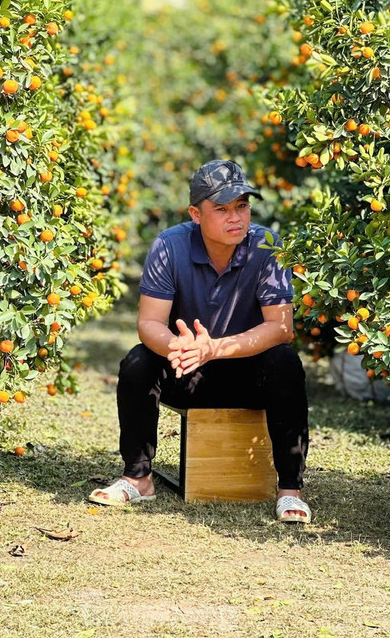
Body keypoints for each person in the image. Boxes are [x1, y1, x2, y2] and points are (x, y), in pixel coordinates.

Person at [88, 159, 311, 523]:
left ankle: (290, 491)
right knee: (138, 361)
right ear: (196, 213)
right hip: (187, 372)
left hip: (249, 377)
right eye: (221, 209)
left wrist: (215, 348)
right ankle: (137, 478)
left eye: (242, 206)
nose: (235, 217)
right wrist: (179, 347)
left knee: (285, 360)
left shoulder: (267, 245)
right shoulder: (169, 246)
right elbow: (149, 323)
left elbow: (282, 328)